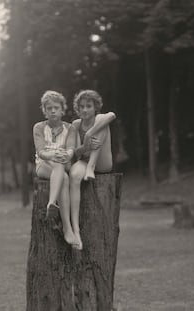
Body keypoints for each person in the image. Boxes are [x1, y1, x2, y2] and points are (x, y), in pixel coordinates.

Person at [67, 90, 116, 250]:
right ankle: (76, 230)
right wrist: (85, 146)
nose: (85, 110)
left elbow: (112, 115)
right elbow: (74, 152)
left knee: (103, 121)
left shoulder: (99, 118)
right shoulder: (75, 125)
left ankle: (91, 168)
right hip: (84, 159)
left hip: (102, 163)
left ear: (95, 107)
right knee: (74, 175)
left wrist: (90, 133)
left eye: (89, 106)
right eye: (81, 107)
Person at [33, 90, 78, 247]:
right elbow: (41, 152)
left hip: (62, 163)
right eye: (49, 108)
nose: (53, 110)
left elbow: (72, 148)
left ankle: (51, 204)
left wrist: (67, 155)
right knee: (64, 178)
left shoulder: (70, 128)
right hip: (44, 166)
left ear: (62, 110)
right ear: (44, 111)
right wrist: (54, 155)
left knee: (61, 169)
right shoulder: (38, 127)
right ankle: (67, 228)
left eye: (56, 107)